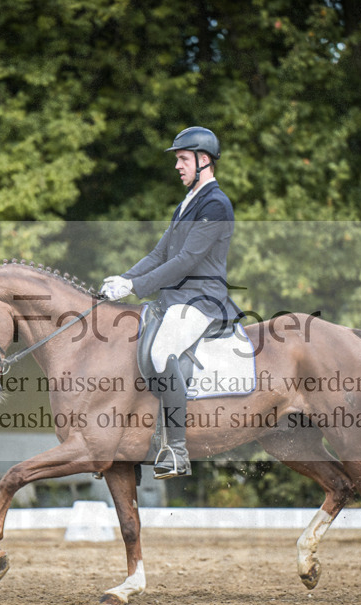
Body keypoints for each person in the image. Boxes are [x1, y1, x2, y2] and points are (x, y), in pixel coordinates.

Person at [100, 126, 240, 478]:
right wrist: (123, 280)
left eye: (182, 159)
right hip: (176, 299)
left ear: (203, 159)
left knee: (163, 352)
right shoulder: (188, 202)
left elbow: (186, 260)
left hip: (201, 300)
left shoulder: (216, 204)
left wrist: (136, 286)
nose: (177, 166)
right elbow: (160, 253)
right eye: (177, 159)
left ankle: (176, 449)